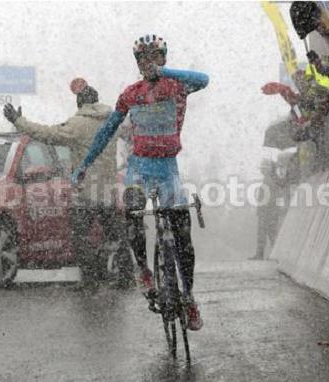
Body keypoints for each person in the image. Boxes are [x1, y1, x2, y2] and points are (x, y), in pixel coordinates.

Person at [71, 34, 209, 330]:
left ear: (163, 58)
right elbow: (106, 132)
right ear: (137, 62)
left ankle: (189, 296)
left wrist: (164, 73)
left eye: (154, 56)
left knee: (183, 233)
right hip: (139, 168)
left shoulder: (178, 85)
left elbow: (204, 79)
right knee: (133, 208)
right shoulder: (131, 93)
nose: (148, 63)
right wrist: (84, 165)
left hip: (168, 169)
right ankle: (144, 270)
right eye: (143, 58)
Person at [3, 79, 124, 281]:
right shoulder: (112, 121)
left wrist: (19, 121)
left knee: (81, 237)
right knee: (115, 236)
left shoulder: (77, 124)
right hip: (108, 190)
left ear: (80, 103)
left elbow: (48, 134)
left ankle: (91, 278)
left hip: (85, 192)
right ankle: (124, 276)